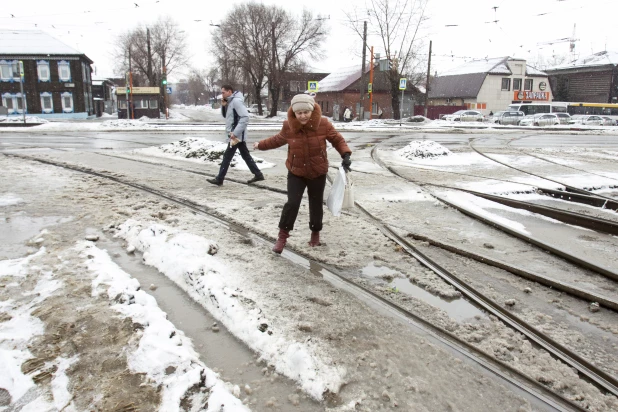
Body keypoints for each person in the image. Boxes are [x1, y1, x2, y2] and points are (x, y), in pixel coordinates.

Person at [253, 93, 352, 254]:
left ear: (312, 110)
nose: (303, 116)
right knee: (292, 203)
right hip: (296, 171)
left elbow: (337, 139)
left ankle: (315, 233)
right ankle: (282, 236)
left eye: (306, 112)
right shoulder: (288, 126)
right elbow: (277, 140)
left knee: (315, 204)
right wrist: (260, 145)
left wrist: (345, 154)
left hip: (317, 171)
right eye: (299, 113)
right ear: (294, 113)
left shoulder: (324, 124)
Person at [207, 84, 264, 186]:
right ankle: (258, 174)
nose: (222, 94)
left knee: (227, 157)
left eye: (223, 92)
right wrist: (224, 106)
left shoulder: (236, 101)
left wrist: (235, 132)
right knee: (245, 155)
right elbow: (226, 116)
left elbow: (245, 117)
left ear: (230, 92)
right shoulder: (231, 102)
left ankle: (219, 179)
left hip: (235, 136)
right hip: (234, 135)